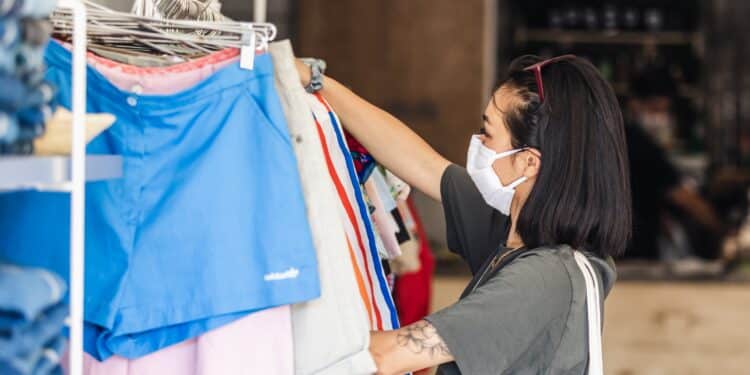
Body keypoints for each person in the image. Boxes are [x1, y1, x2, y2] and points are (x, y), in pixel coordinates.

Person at [296, 54, 631, 374]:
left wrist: (275, 328)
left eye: (488, 133)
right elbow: (423, 164)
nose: (478, 142)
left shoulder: (544, 279)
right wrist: (316, 81)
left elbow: (385, 356)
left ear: (528, 161)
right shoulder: (514, 231)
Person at [624, 66, 724, 260]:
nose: (660, 118)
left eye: (664, 111)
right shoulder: (640, 144)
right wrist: (719, 227)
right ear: (635, 104)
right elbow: (681, 196)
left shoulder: (622, 136)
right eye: (654, 109)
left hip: (622, 244)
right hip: (635, 248)